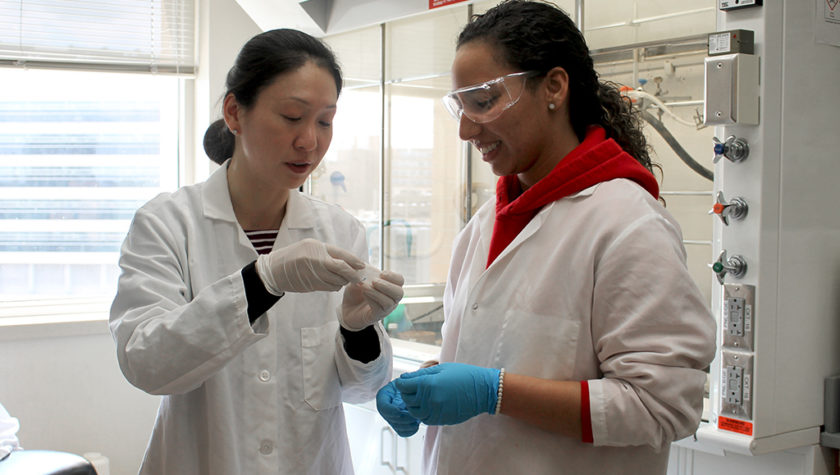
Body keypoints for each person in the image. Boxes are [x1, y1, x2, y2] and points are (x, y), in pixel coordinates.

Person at [375, 1, 716, 474]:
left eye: (484, 101)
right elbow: (509, 355)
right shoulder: (487, 221)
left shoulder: (627, 223)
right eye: (460, 106)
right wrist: (431, 383)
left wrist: (492, 392)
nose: (466, 129)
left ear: (554, 87)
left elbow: (663, 405)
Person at [110, 28, 405, 475]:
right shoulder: (168, 223)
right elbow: (146, 363)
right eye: (291, 116)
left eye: (325, 121)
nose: (310, 141)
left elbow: (360, 389)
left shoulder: (341, 230)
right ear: (234, 112)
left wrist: (357, 332)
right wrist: (260, 283)